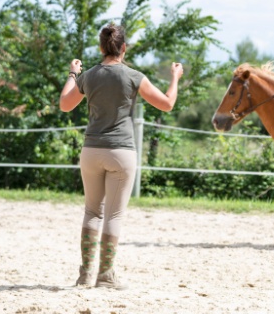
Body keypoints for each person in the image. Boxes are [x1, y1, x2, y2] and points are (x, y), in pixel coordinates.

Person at [59, 23, 183, 289]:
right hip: (121, 152)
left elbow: (65, 104)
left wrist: (72, 73)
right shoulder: (133, 76)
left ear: (101, 48)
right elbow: (167, 104)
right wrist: (175, 78)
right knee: (114, 215)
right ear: (123, 48)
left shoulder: (89, 76)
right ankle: (105, 276)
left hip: (91, 150)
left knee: (92, 211)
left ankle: (84, 276)